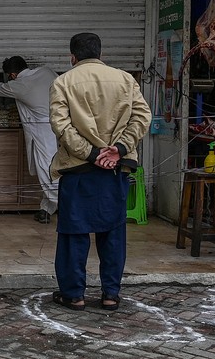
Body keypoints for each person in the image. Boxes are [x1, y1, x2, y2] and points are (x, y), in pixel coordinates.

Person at [49, 32, 150, 312]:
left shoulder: (63, 82)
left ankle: (74, 295)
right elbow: (142, 117)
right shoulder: (125, 79)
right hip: (115, 169)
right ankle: (110, 295)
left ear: (72, 57)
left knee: (73, 233)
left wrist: (92, 154)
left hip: (78, 169)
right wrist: (118, 148)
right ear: (101, 54)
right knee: (113, 232)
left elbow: (62, 126)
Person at [0, 56, 60, 223]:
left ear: (12, 75)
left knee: (47, 172)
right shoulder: (47, 71)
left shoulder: (19, 86)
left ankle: (70, 206)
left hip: (43, 132)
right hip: (62, 127)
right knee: (56, 170)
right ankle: (45, 210)